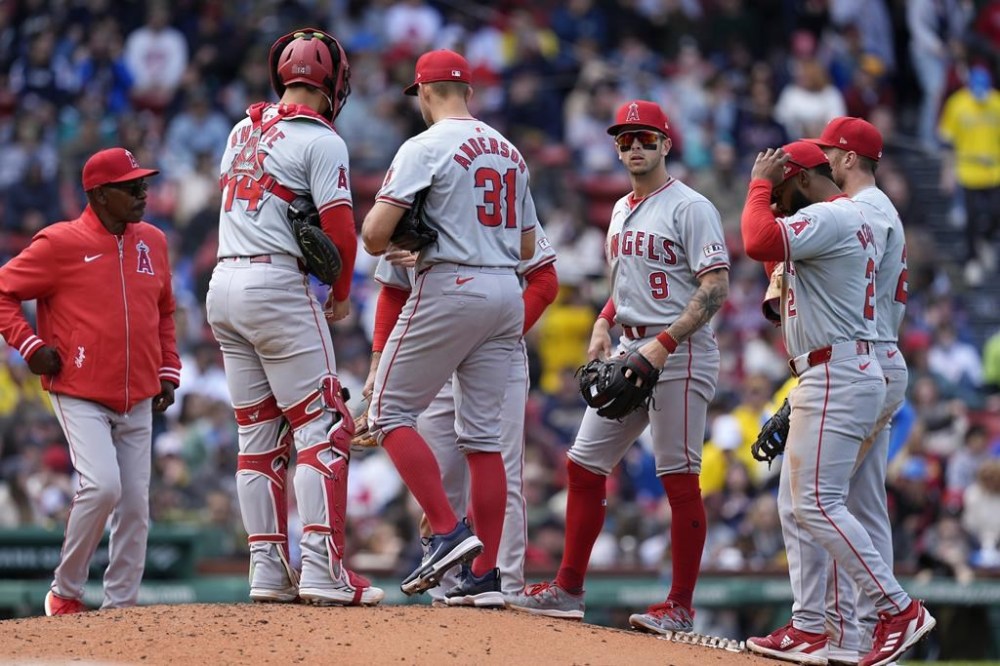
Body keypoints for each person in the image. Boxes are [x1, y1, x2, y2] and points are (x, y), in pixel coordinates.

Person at [508, 100, 731, 634]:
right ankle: (568, 589)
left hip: (681, 350)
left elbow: (716, 286)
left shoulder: (690, 206)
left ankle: (679, 605)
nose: (634, 146)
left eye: (645, 137)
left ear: (665, 143)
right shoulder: (619, 208)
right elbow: (627, 285)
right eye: (625, 138)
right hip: (630, 346)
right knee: (582, 466)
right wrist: (603, 321)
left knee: (679, 478)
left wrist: (667, 343)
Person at [206, 28, 382, 606]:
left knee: (257, 436)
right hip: (275, 284)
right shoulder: (322, 139)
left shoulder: (240, 128)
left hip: (223, 282)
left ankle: (266, 568)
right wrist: (338, 293)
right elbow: (339, 230)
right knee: (323, 425)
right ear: (332, 83)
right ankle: (322, 571)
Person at [741, 141, 934, 666]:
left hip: (843, 368)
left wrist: (759, 184)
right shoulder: (842, 218)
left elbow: (757, 237)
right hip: (836, 365)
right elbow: (779, 293)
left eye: (783, 191)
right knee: (801, 503)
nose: (777, 204)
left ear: (802, 179)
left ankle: (896, 611)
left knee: (819, 503)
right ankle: (815, 627)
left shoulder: (836, 216)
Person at [361, 48, 538, 599]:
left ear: (424, 93)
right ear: (468, 92)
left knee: (387, 412)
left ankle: (446, 531)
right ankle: (483, 577)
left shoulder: (424, 145)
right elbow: (529, 246)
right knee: (484, 442)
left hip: (452, 285)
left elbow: (372, 236)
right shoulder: (509, 151)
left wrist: (412, 237)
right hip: (507, 290)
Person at [0, 147, 181, 615]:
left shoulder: (154, 241)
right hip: (79, 390)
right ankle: (66, 591)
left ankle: (120, 608)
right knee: (102, 487)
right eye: (131, 186)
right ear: (100, 195)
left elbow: (163, 309)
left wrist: (166, 368)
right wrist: (29, 345)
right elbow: (3, 291)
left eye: (143, 182)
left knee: (137, 508)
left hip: (139, 394)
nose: (143, 192)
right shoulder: (60, 243)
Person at [364, 222, 557, 606]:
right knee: (441, 473)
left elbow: (545, 280)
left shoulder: (493, 192)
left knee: (502, 465)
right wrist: (377, 363)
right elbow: (392, 289)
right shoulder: (414, 201)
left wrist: (499, 336)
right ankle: (446, 588)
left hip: (494, 350)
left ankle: (503, 583)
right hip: (433, 348)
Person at [788, 117, 909, 664]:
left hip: (864, 356)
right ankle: (858, 632)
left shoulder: (863, 211)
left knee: (818, 500)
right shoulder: (879, 210)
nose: (825, 162)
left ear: (848, 159)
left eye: (830, 152)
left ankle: (844, 631)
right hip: (877, 358)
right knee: (856, 503)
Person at [937, 64, 1000, 286]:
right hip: (967, 171)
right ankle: (972, 260)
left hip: (994, 172)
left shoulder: (996, 103)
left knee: (995, 213)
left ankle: (985, 240)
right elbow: (946, 140)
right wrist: (947, 171)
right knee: (971, 218)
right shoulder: (957, 104)